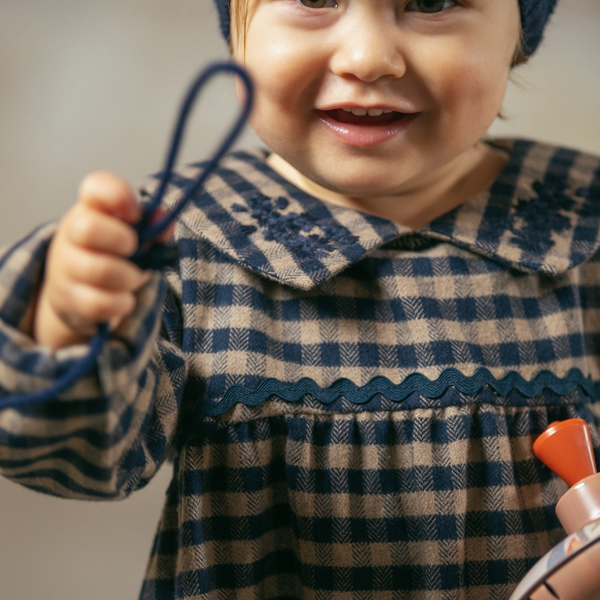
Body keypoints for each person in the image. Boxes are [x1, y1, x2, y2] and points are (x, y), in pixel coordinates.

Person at [0, 0, 598, 598]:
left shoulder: (584, 222)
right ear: (237, 30)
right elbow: (78, 459)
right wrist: (65, 326)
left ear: (519, 33)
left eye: (432, 2)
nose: (367, 58)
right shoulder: (185, 241)